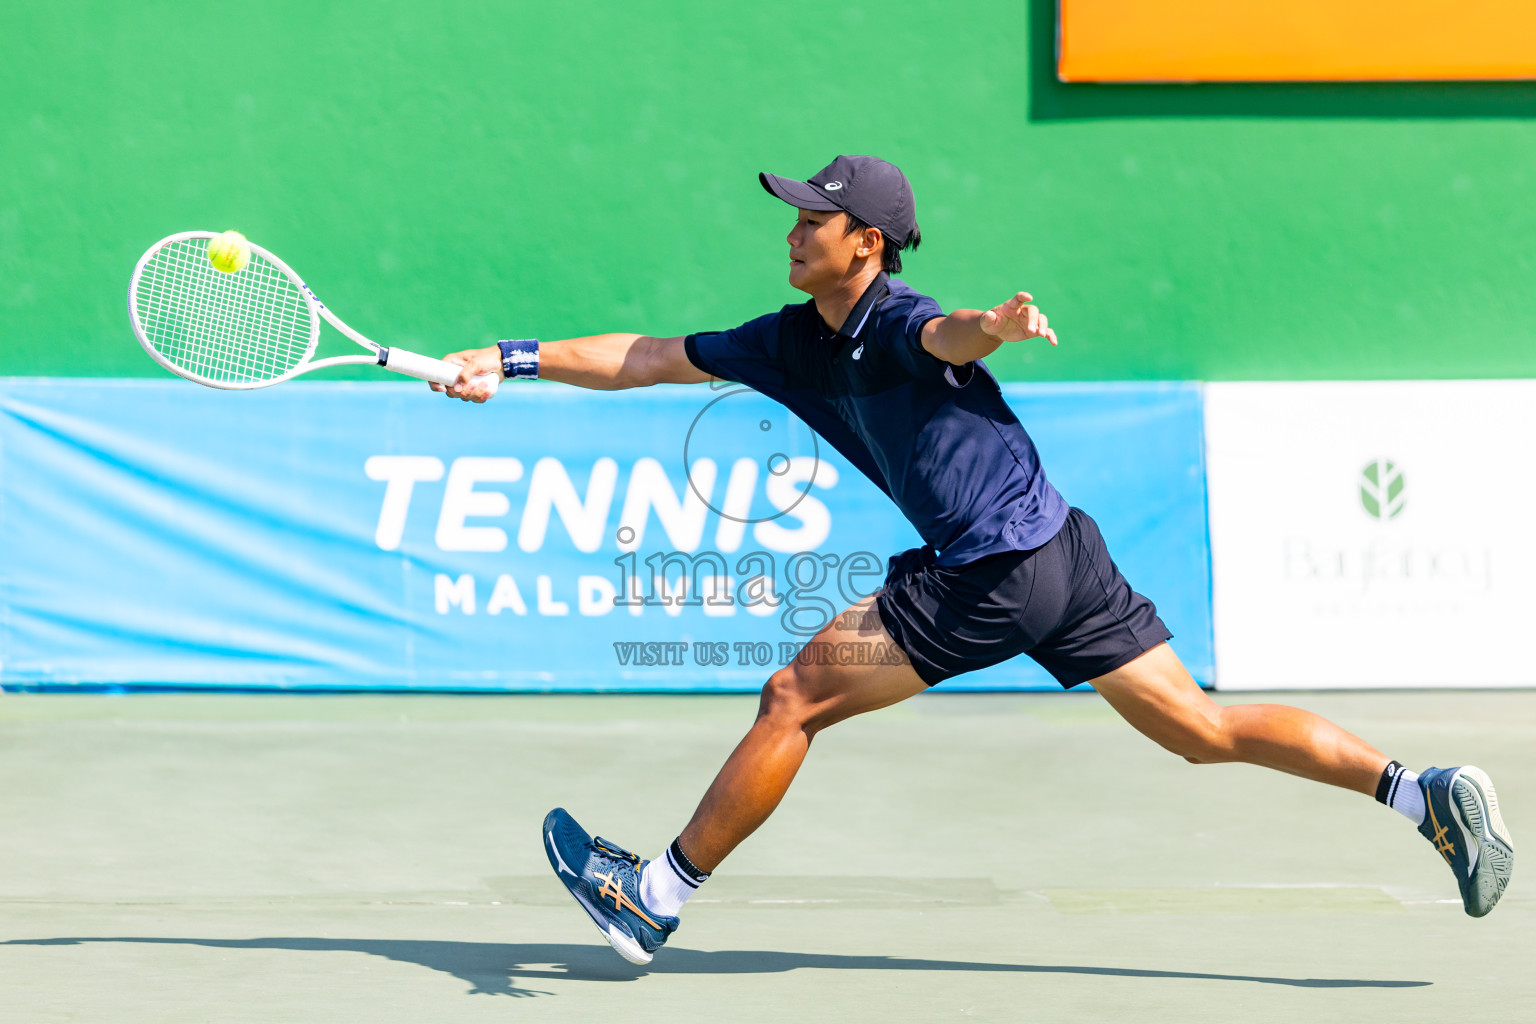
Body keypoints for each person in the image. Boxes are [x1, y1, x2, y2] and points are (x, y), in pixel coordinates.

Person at [433, 155, 1514, 965]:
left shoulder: (895, 319)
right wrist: (509, 358)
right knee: (1201, 728)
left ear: (870, 241)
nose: (798, 226)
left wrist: (989, 325)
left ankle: (654, 898)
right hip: (1057, 545)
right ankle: (1421, 794)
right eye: (797, 212)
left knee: (793, 695)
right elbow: (650, 358)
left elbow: (943, 336)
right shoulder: (790, 337)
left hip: (990, 566)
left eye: (819, 215)